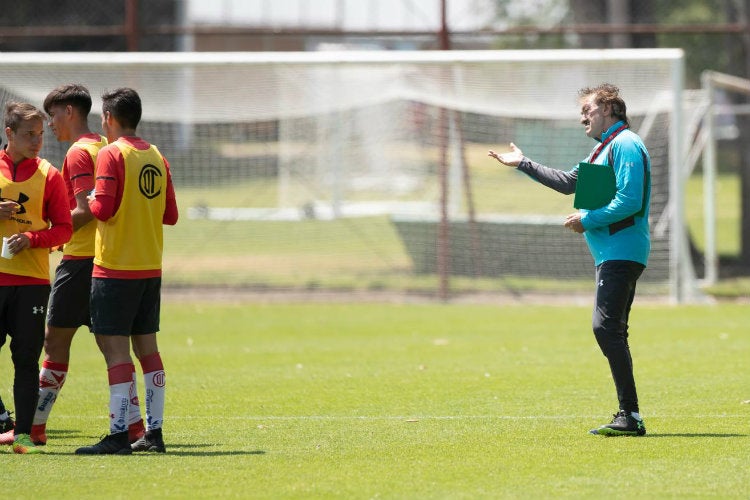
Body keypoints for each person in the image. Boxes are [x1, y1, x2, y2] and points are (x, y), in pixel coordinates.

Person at [488, 83, 651, 437]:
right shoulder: (602, 150)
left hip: (622, 251)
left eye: (587, 110)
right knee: (611, 330)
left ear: (609, 109)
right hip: (612, 252)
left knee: (605, 328)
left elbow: (631, 200)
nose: (582, 117)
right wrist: (523, 163)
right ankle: (630, 415)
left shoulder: (625, 144)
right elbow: (568, 184)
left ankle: (630, 416)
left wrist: (586, 220)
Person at [20, 84, 145, 446]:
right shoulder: (106, 146)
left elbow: (85, 210)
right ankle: (135, 427)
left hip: (80, 262)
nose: (50, 124)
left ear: (70, 112)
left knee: (54, 341)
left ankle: (34, 428)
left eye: (53, 115)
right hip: (109, 259)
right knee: (112, 346)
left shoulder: (77, 153)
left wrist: (44, 231)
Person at [75, 88, 178, 455]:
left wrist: (89, 200)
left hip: (115, 268)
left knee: (116, 353)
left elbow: (100, 209)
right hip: (150, 267)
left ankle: (119, 434)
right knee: (148, 351)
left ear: (108, 118)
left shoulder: (110, 153)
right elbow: (171, 215)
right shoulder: (157, 155)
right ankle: (155, 433)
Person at [0, 102, 73, 453]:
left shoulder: (50, 174)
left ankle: (25, 433)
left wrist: (31, 238)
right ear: (8, 133)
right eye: (29, 134)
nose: (37, 141)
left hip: (30, 283)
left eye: (41, 135)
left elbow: (64, 230)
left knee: (26, 359)